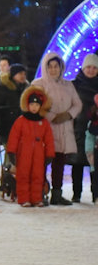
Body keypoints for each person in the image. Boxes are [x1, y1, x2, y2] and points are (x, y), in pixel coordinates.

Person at [31, 52, 82, 205]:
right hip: (46, 130)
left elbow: (77, 104)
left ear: (61, 68)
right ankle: (39, 192)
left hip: (64, 129)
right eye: (50, 67)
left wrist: (68, 115)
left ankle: (57, 193)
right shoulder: (38, 84)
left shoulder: (68, 84)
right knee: (42, 162)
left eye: (56, 67)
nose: (53, 70)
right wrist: (52, 116)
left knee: (59, 163)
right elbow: (35, 106)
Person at [6, 86, 55, 207]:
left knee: (38, 176)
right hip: (24, 153)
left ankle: (37, 198)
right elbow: (14, 137)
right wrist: (11, 152)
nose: (34, 107)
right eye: (32, 105)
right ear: (27, 105)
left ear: (40, 107)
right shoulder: (21, 121)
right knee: (23, 176)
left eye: (37, 105)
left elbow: (49, 140)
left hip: (39, 153)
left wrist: (49, 154)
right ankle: (24, 198)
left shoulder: (44, 123)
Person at [71, 53, 98, 203]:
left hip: (95, 129)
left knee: (96, 164)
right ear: (83, 68)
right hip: (79, 128)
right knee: (78, 163)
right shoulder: (74, 85)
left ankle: (96, 194)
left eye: (94, 68)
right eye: (88, 67)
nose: (91, 70)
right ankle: (76, 194)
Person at [0, 63, 29, 147]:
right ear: (13, 75)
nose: (23, 76)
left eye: (24, 74)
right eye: (20, 74)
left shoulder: (27, 89)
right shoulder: (3, 89)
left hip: (24, 128)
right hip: (8, 129)